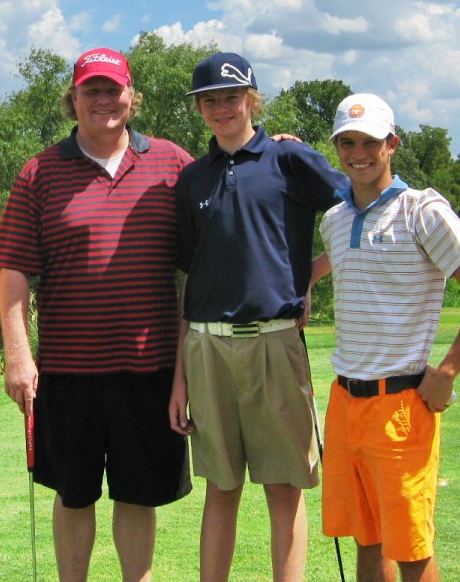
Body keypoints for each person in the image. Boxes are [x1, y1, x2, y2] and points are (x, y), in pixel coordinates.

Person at [0, 47, 193, 582]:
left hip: (150, 367)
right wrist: (18, 356)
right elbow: (12, 269)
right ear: (73, 99)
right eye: (92, 90)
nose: (104, 99)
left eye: (113, 89)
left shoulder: (173, 162)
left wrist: (276, 149)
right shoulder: (40, 171)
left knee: (139, 495)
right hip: (68, 370)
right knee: (73, 494)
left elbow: (217, 225)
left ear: (131, 96)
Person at [168, 52, 344, 582]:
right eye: (210, 100)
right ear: (200, 108)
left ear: (252, 99)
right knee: (221, 488)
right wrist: (179, 377)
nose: (222, 108)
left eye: (232, 97)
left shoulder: (290, 159)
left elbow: (360, 208)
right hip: (206, 345)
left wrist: (308, 276)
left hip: (275, 341)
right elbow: (190, 278)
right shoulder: (192, 179)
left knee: (285, 487)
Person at [318, 94, 460, 582]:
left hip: (400, 406)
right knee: (366, 539)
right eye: (347, 143)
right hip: (345, 401)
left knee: (410, 549)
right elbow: (339, 264)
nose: (358, 153)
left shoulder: (422, 211)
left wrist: (447, 372)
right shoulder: (334, 220)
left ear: (392, 144)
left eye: (370, 142)